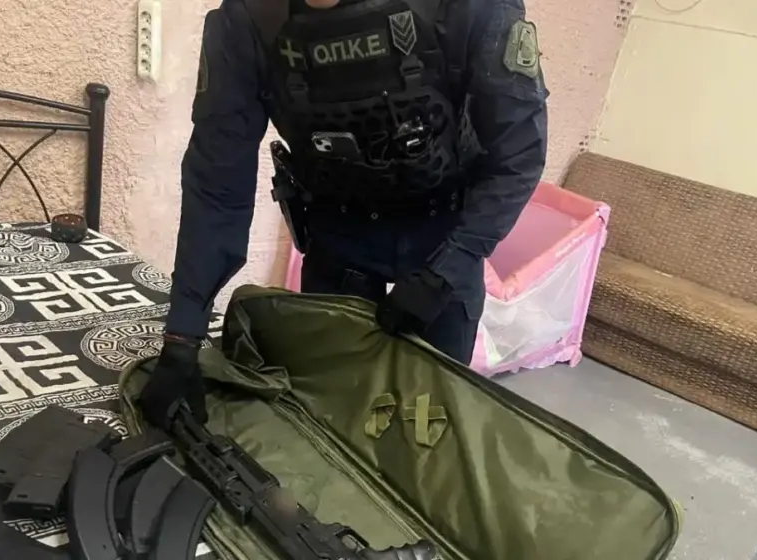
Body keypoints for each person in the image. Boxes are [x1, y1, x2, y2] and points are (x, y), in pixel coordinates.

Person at [138, 0, 548, 428]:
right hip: (339, 236)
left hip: (445, 237)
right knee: (330, 419)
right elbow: (217, 184)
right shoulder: (251, 18)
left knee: (431, 429)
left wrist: (450, 267)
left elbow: (518, 155)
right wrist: (183, 336)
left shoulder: (466, 7)